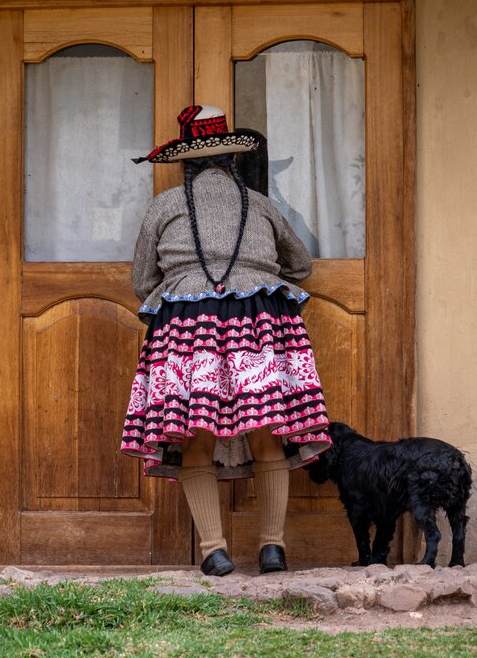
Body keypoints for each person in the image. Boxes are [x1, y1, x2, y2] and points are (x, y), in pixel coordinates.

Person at [120, 104, 332, 577]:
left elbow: (140, 281)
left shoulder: (164, 206)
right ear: (231, 160)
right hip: (259, 322)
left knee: (196, 434)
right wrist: (254, 275)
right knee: (268, 430)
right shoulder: (260, 204)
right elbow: (301, 267)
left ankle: (213, 550)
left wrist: (187, 283)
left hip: (187, 326)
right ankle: (272, 548)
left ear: (185, 161)